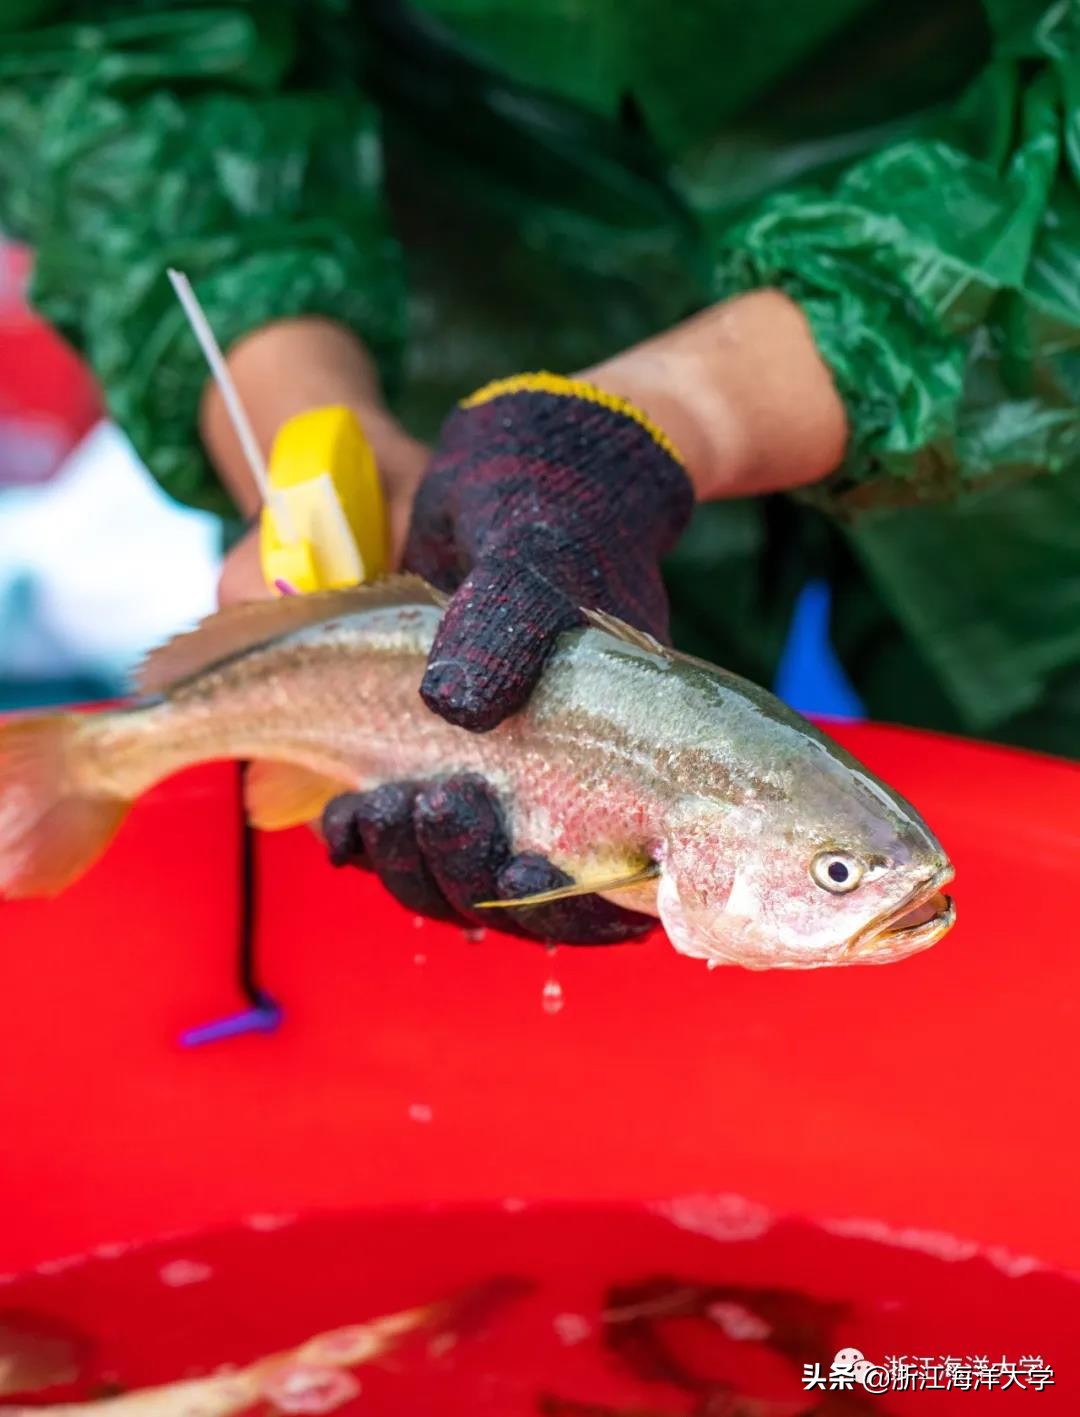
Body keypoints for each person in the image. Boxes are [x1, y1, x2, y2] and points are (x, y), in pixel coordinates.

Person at [2, 0, 1077, 944]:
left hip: (1005, 273)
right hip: (448, 218)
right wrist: (304, 414)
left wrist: (676, 415)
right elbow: (113, 35)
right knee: (460, 961)